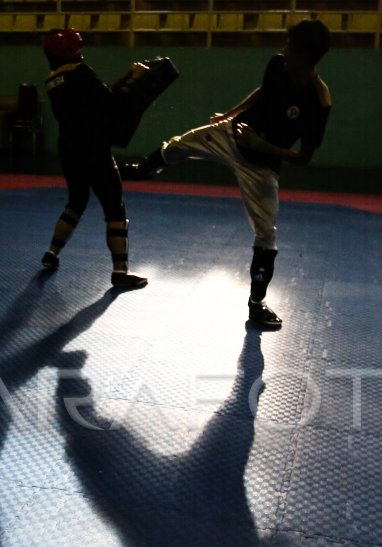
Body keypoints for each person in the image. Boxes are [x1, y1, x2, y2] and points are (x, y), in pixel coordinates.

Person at [121, 20, 333, 329]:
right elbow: (263, 92)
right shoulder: (277, 64)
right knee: (181, 144)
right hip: (231, 135)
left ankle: (257, 304)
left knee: (266, 234)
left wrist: (262, 145)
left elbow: (303, 157)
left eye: (290, 47)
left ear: (304, 56)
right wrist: (230, 114)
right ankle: (144, 169)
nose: (283, 50)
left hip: (261, 165)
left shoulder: (319, 100)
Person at [40, 28, 148, 290]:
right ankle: (120, 271)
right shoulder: (80, 72)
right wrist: (135, 80)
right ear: (69, 50)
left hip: (68, 147)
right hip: (93, 147)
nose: (80, 51)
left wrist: (126, 78)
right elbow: (110, 102)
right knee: (114, 207)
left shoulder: (52, 79)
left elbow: (96, 97)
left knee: (76, 201)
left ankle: (51, 253)